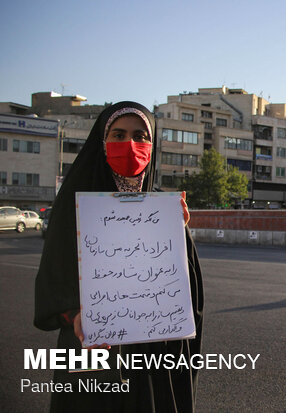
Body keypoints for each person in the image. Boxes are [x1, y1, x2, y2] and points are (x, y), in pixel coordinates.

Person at [34, 101, 204, 413]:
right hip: (92, 354)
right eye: (118, 134)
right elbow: (53, 282)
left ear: (152, 145)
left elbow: (186, 292)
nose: (130, 145)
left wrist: (177, 236)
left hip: (152, 355)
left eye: (141, 136)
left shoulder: (162, 209)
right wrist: (74, 315)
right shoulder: (73, 209)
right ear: (102, 142)